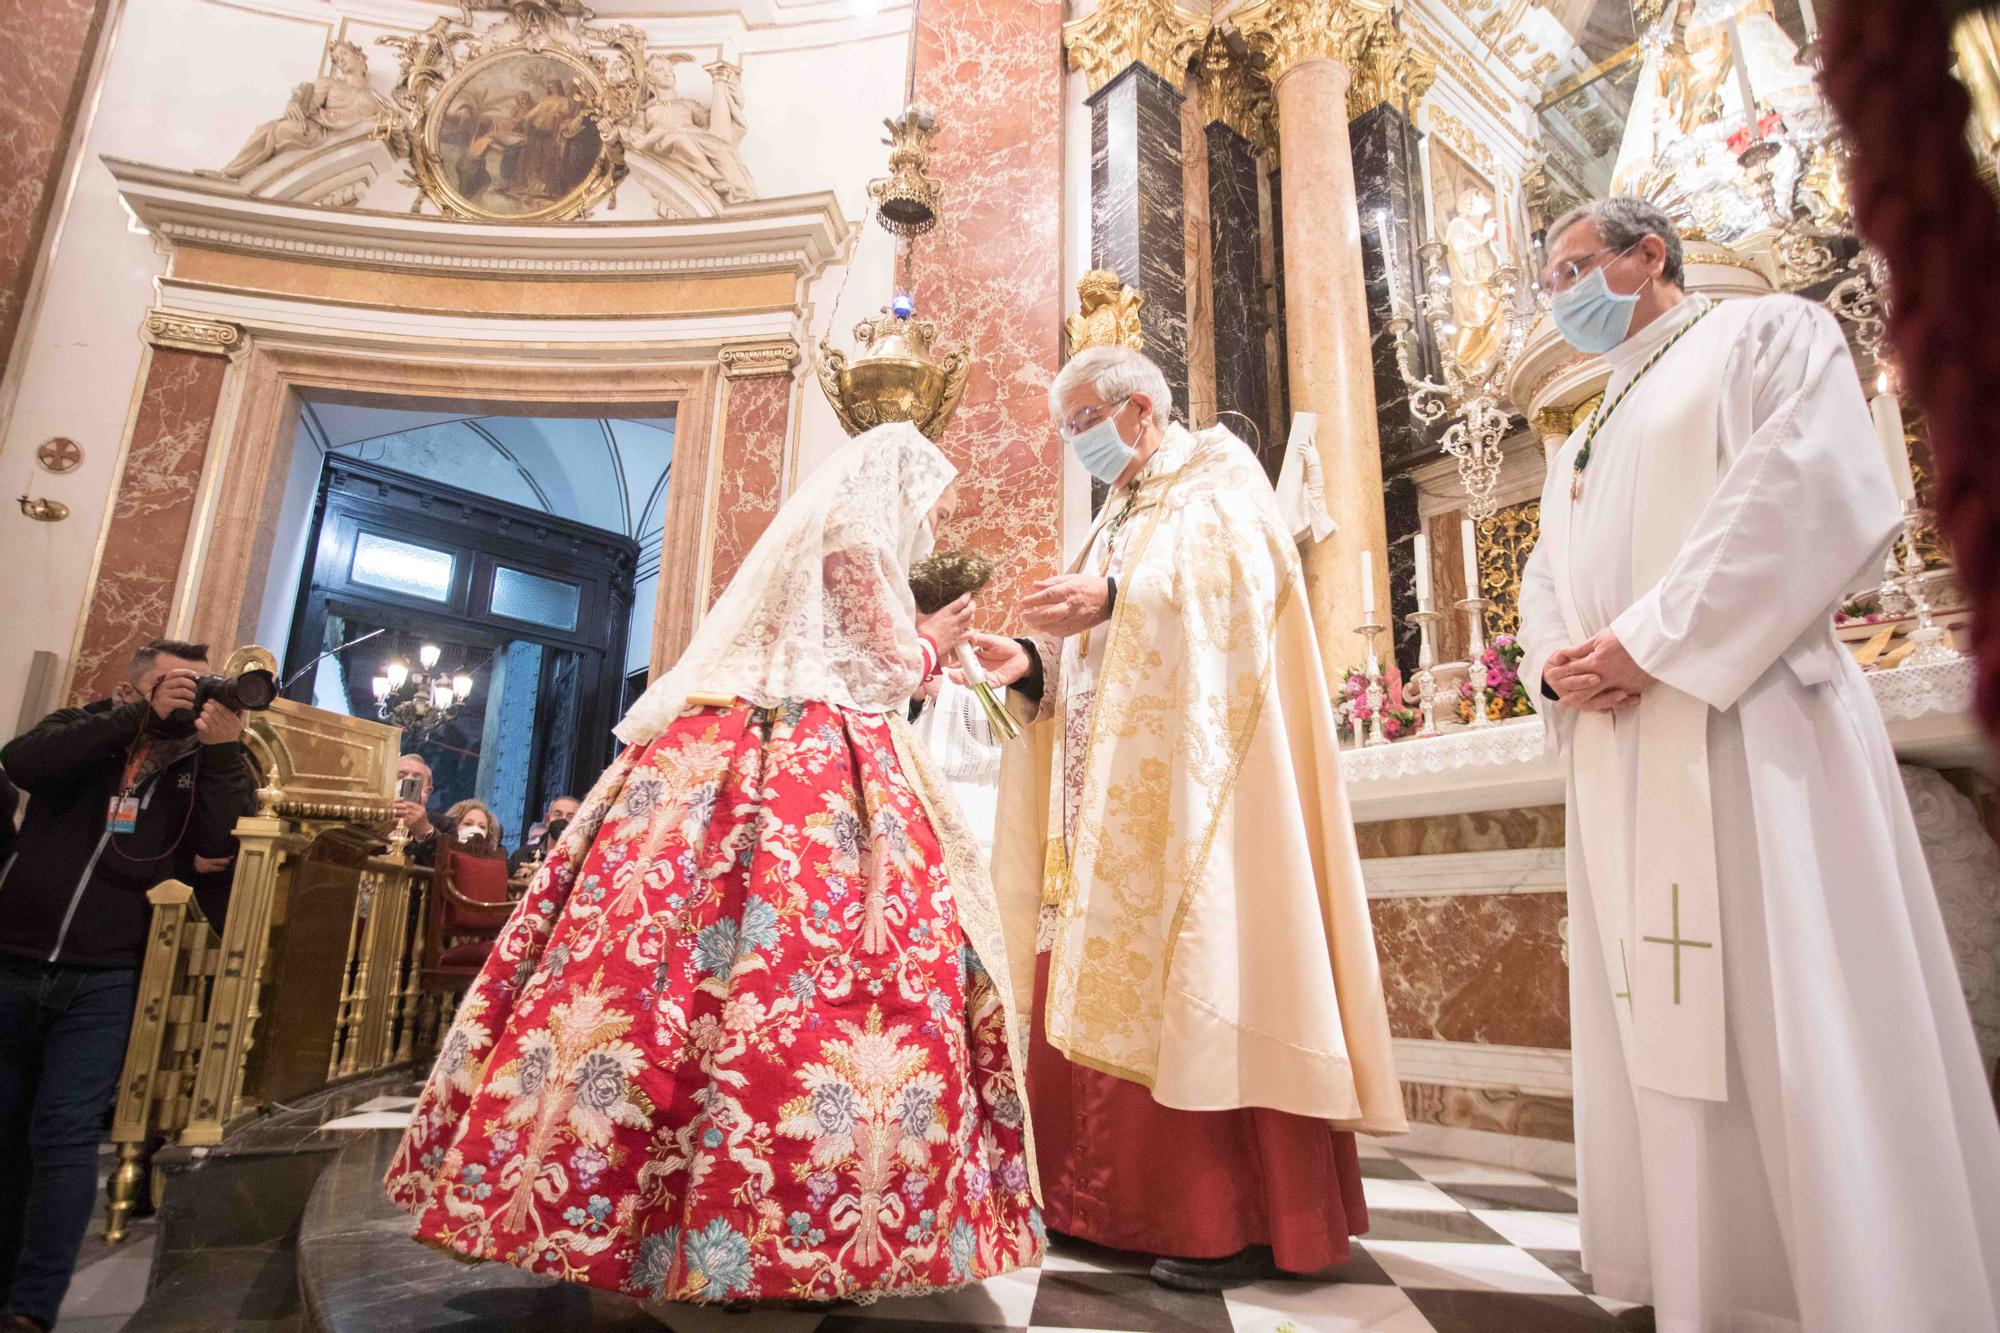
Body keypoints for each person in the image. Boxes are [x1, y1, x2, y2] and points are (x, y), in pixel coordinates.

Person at [384, 423, 1040, 1308]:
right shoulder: (855, 527)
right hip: (823, 763)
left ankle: (629, 1214)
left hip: (725, 749)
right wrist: (929, 639)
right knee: (826, 978)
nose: (919, 525)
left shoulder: (821, 530)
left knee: (663, 975)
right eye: (919, 506)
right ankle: (794, 1232)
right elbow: (885, 663)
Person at [1518, 196, 2000, 1332]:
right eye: (1548, 277)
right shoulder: (1585, 421)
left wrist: (1655, 639)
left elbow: (1802, 487)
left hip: (1751, 729)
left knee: (1792, 1001)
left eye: (1576, 265)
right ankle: (1712, 1284)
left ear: (1649, 256)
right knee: (1670, 1022)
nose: (1560, 293)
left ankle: (1863, 1284)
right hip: (1625, 750)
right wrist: (1555, 665)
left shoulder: (1766, 333)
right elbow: (1546, 574)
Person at [969, 346, 1404, 1291]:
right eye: (1065, 428)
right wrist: (1035, 665)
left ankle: (1230, 1215)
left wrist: (1118, 597)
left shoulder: (1219, 472)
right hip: (1107, 813)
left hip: (1203, 809)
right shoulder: (1117, 512)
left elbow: (1241, 590)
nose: (1075, 440)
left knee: (1208, 963)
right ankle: (1097, 1204)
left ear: (1139, 407)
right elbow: (1095, 660)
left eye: (1083, 418)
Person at [0, 640, 257, 1333]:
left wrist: (226, 751)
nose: (185, 695)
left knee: (63, 1135)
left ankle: (29, 1306)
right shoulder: (80, 729)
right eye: (172, 683)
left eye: (194, 684)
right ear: (134, 684)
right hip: (13, 956)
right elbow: (22, 762)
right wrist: (130, 721)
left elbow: (225, 838)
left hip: (108, 971)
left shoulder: (200, 763)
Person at [393, 754, 454, 868]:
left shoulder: (445, 826)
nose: (409, 782)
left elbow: (449, 868)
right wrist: (381, 827)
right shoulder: (370, 816)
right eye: (401, 777)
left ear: (427, 792)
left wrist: (424, 831)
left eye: (417, 779)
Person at [507, 794, 579, 876]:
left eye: (571, 817)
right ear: (547, 820)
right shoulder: (522, 855)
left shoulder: (583, 859)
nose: (563, 819)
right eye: (558, 815)